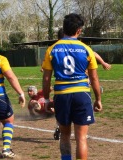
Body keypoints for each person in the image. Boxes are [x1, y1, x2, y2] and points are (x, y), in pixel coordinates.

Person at [42, 13, 102, 160]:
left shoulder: (52, 49)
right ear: (79, 30)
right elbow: (93, 77)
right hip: (82, 94)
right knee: (81, 138)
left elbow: (46, 77)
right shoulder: (86, 49)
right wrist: (98, 99)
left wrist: (46, 99)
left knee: (65, 135)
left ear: (63, 28)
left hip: (62, 95)